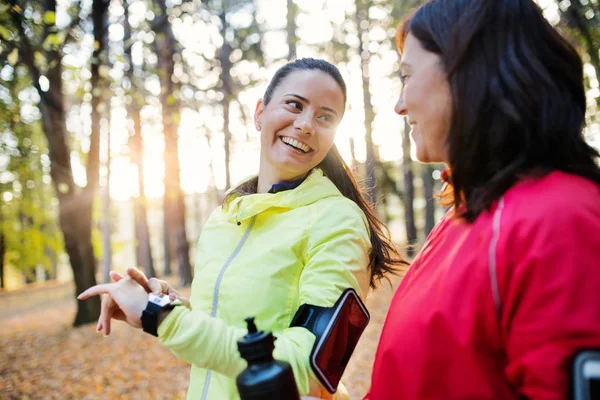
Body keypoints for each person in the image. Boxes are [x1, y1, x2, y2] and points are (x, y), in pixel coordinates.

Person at [78, 58, 406, 400]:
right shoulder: (225, 217)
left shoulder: (338, 220)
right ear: (260, 112)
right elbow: (209, 345)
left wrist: (161, 317)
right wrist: (164, 303)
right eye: (294, 105)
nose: (307, 125)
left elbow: (309, 368)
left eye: (325, 117)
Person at [365, 0, 600, 399]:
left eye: (407, 75)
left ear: (466, 72)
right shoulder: (467, 214)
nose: (399, 104)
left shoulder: (558, 220)